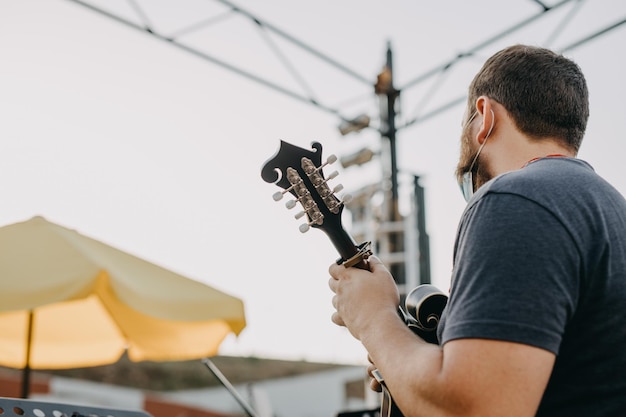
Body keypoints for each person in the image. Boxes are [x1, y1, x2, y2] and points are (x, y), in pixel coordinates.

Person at [328, 44, 626, 417]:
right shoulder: (609, 209)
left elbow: (474, 408)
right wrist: (406, 359)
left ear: (484, 117)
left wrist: (373, 319)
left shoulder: (515, 198)